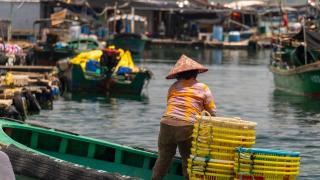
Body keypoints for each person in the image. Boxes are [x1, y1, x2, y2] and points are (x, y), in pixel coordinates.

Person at [152, 54, 216, 180]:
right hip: (187, 125)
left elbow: (171, 105)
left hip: (166, 123)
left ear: (178, 74)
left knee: (164, 157)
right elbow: (211, 111)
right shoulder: (203, 88)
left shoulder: (173, 87)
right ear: (195, 73)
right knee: (188, 158)